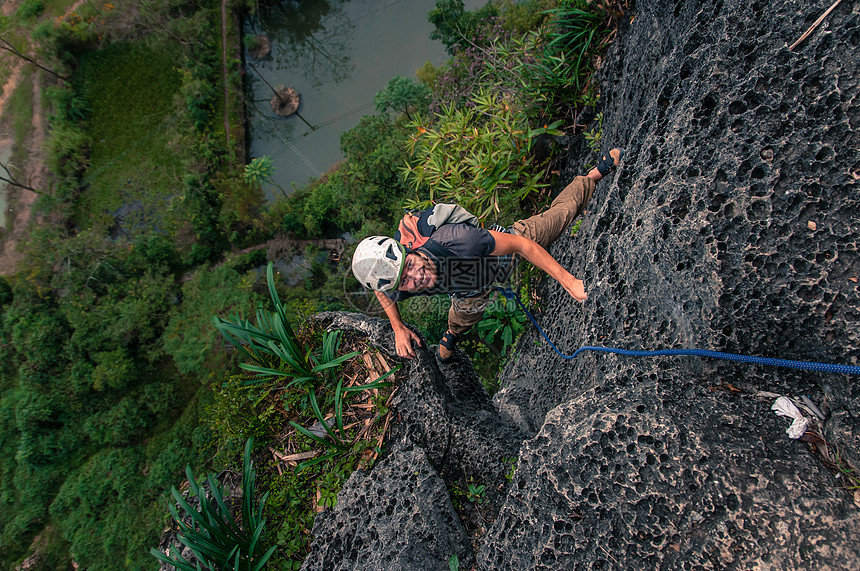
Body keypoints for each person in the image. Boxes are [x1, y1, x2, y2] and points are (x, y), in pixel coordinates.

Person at [351, 148, 624, 361]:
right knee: (464, 317)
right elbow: (382, 292)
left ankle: (592, 176)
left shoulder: (457, 241)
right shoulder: (395, 278)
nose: (416, 276)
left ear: (409, 250)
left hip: (499, 255)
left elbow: (522, 246)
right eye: (405, 281)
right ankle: (452, 335)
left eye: (410, 264)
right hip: (470, 289)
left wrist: (569, 282)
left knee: (560, 217)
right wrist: (398, 328)